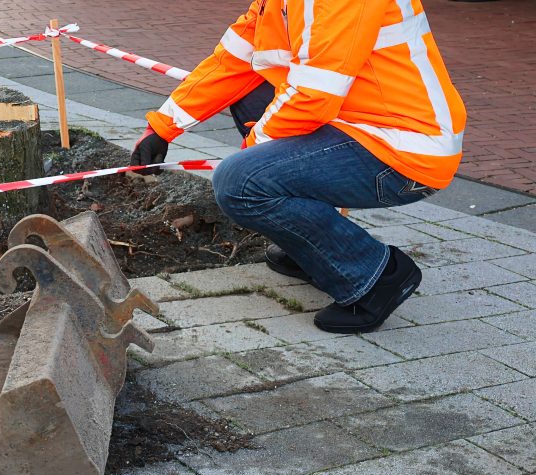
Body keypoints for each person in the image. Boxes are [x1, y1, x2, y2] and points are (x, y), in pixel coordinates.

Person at [132, 0, 466, 333]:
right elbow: (236, 57)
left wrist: (252, 158)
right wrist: (162, 128)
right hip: (355, 124)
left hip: (404, 148)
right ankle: (314, 249)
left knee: (239, 184)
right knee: (251, 99)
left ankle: (374, 276)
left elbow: (314, 95)